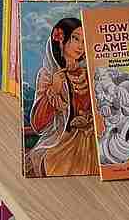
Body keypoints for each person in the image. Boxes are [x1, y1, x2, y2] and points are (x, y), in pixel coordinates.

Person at [25, 18, 98, 177]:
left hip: (91, 141)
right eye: (75, 38)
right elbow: (38, 124)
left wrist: (89, 120)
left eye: (84, 40)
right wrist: (54, 89)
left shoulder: (89, 74)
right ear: (61, 41)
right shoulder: (48, 75)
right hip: (63, 142)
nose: (81, 45)